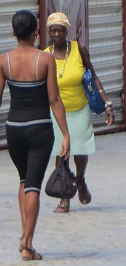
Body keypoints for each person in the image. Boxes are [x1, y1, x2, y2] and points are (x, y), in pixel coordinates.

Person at [0, 10, 70, 261]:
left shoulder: (3, 61)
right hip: (40, 128)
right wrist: (66, 134)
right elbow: (54, 99)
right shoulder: (45, 60)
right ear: (36, 33)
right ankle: (27, 243)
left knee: (24, 180)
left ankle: (25, 235)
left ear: (13, 33)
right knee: (34, 186)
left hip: (14, 129)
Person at [44, 12, 114, 213]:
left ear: (67, 31)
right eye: (53, 30)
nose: (57, 34)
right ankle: (64, 197)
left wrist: (107, 103)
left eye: (61, 30)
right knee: (62, 153)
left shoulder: (78, 49)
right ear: (48, 31)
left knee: (80, 151)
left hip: (80, 109)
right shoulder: (45, 55)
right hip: (57, 113)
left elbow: (94, 77)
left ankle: (80, 179)